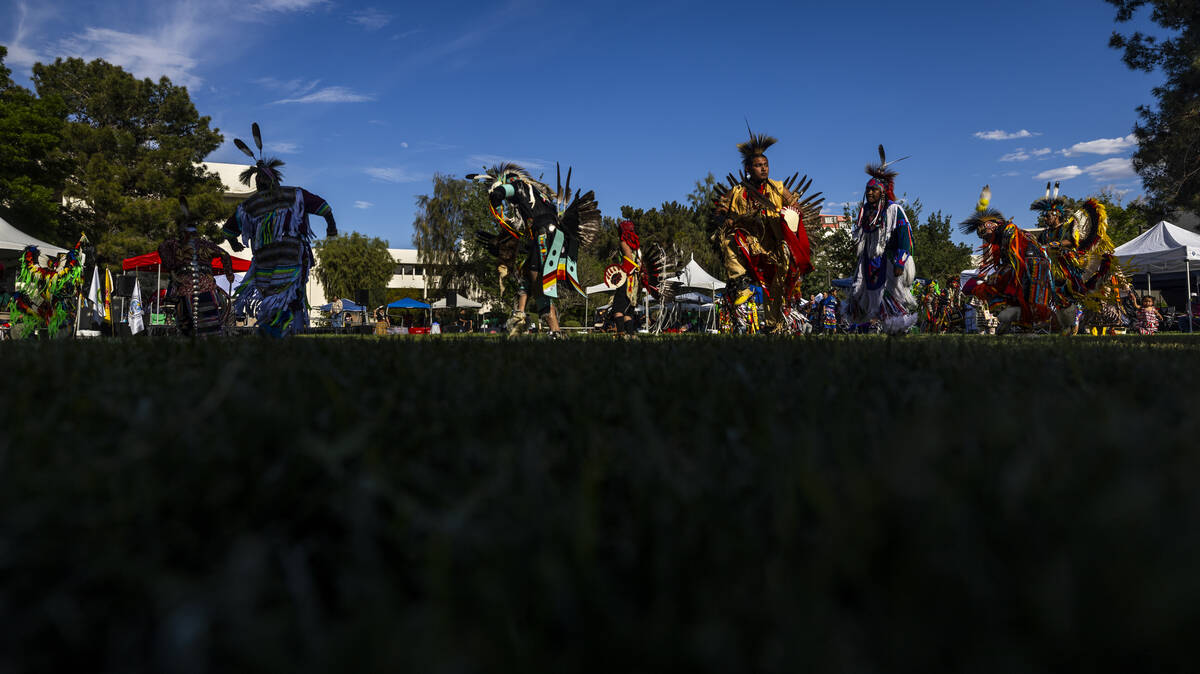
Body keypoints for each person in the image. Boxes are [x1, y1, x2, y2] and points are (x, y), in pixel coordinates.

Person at [221, 123, 336, 337]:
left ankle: (276, 331)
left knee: (271, 297)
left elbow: (227, 231)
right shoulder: (294, 194)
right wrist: (331, 228)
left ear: (257, 183)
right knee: (290, 297)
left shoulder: (248, 206)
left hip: (264, 260)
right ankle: (276, 331)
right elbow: (325, 208)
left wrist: (235, 243)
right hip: (291, 256)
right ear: (275, 180)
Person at [470, 163, 600, 339]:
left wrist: (496, 194)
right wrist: (503, 247)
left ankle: (553, 331)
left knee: (539, 284)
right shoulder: (539, 197)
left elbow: (504, 191)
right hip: (549, 235)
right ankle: (520, 314)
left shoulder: (518, 185)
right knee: (527, 274)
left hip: (544, 235)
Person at [711, 127, 819, 332]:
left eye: (766, 165)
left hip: (773, 245)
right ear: (748, 169)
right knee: (727, 238)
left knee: (774, 285)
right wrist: (727, 218)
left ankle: (773, 324)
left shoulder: (777, 188)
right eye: (758, 165)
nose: (763, 169)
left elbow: (795, 207)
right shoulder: (737, 192)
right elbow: (719, 211)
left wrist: (791, 213)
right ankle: (740, 282)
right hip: (747, 243)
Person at [843, 145, 917, 335]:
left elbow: (904, 237)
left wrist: (901, 261)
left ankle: (894, 322)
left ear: (882, 192)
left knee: (890, 291)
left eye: (874, 190)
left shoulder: (894, 210)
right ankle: (872, 320)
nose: (869, 193)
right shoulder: (866, 213)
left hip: (889, 260)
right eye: (868, 190)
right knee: (862, 289)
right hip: (869, 260)